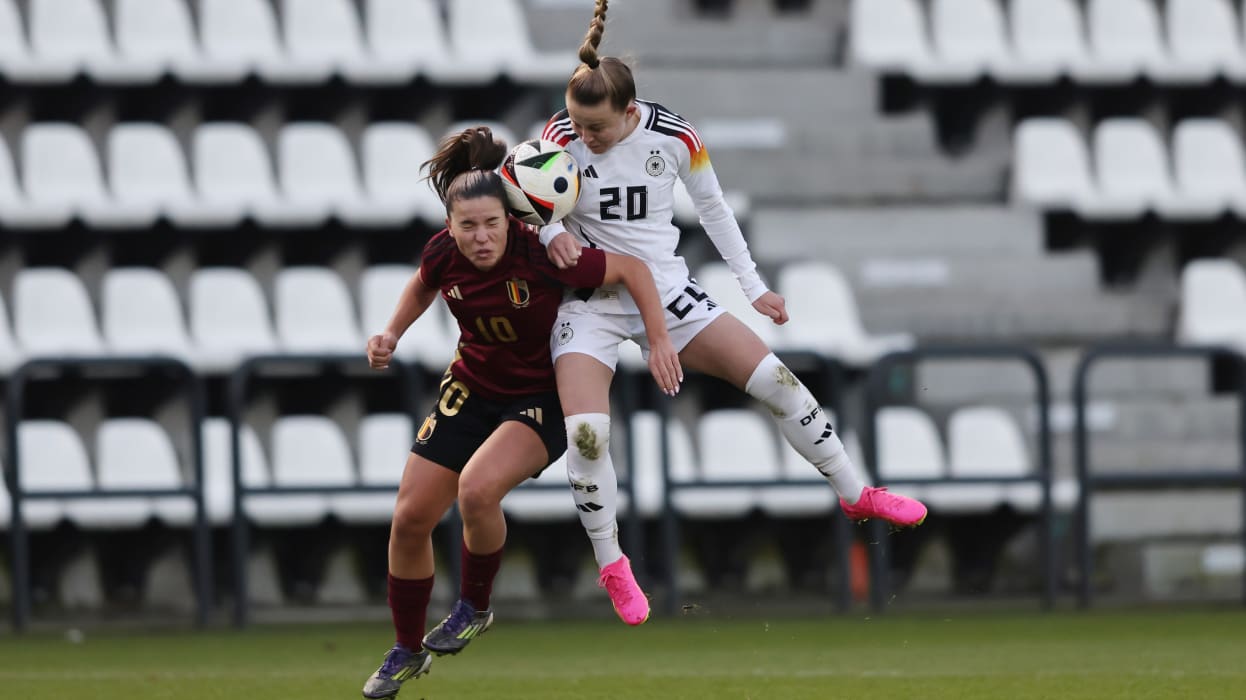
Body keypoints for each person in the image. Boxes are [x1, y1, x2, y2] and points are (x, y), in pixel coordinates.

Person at [537, 0, 929, 627]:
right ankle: (612, 563)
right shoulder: (558, 137)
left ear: (630, 111)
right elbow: (528, 202)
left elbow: (714, 210)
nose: (585, 138)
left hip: (667, 290)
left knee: (776, 380)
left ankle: (857, 495)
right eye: (579, 126)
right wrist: (546, 235)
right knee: (588, 433)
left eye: (598, 129)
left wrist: (753, 287)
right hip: (593, 301)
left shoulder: (675, 137)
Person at [360, 126, 681, 699]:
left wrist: (659, 341)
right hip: (471, 388)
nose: (481, 237)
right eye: (467, 227)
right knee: (409, 519)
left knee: (478, 492)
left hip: (538, 397)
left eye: (491, 224)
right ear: (450, 227)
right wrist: (390, 332)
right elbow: (421, 285)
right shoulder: (443, 255)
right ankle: (407, 648)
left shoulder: (544, 255)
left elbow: (633, 271)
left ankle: (474, 606)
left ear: (511, 220)